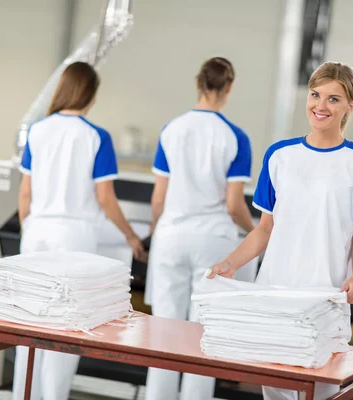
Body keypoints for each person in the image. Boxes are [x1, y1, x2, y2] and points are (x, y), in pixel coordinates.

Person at [207, 61, 353, 400]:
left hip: (327, 299)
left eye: (333, 99)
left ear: (350, 106)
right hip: (275, 294)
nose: (320, 106)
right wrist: (230, 263)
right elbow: (264, 230)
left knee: (327, 392)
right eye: (315, 95)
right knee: (276, 393)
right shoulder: (279, 156)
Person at [14, 61, 147, 400]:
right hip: (74, 238)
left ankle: (22, 395)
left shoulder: (38, 130)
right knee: (66, 325)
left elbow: (25, 192)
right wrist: (131, 236)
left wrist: (28, 225)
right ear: (91, 94)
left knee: (28, 322)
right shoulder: (95, 137)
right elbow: (105, 198)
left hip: (37, 232)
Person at [144, 57, 255, 400]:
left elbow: (158, 198)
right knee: (204, 337)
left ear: (198, 82)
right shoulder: (236, 137)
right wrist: (256, 232)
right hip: (214, 241)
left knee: (163, 332)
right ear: (229, 87)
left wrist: (152, 233)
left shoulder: (172, 130)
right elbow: (235, 205)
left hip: (171, 238)